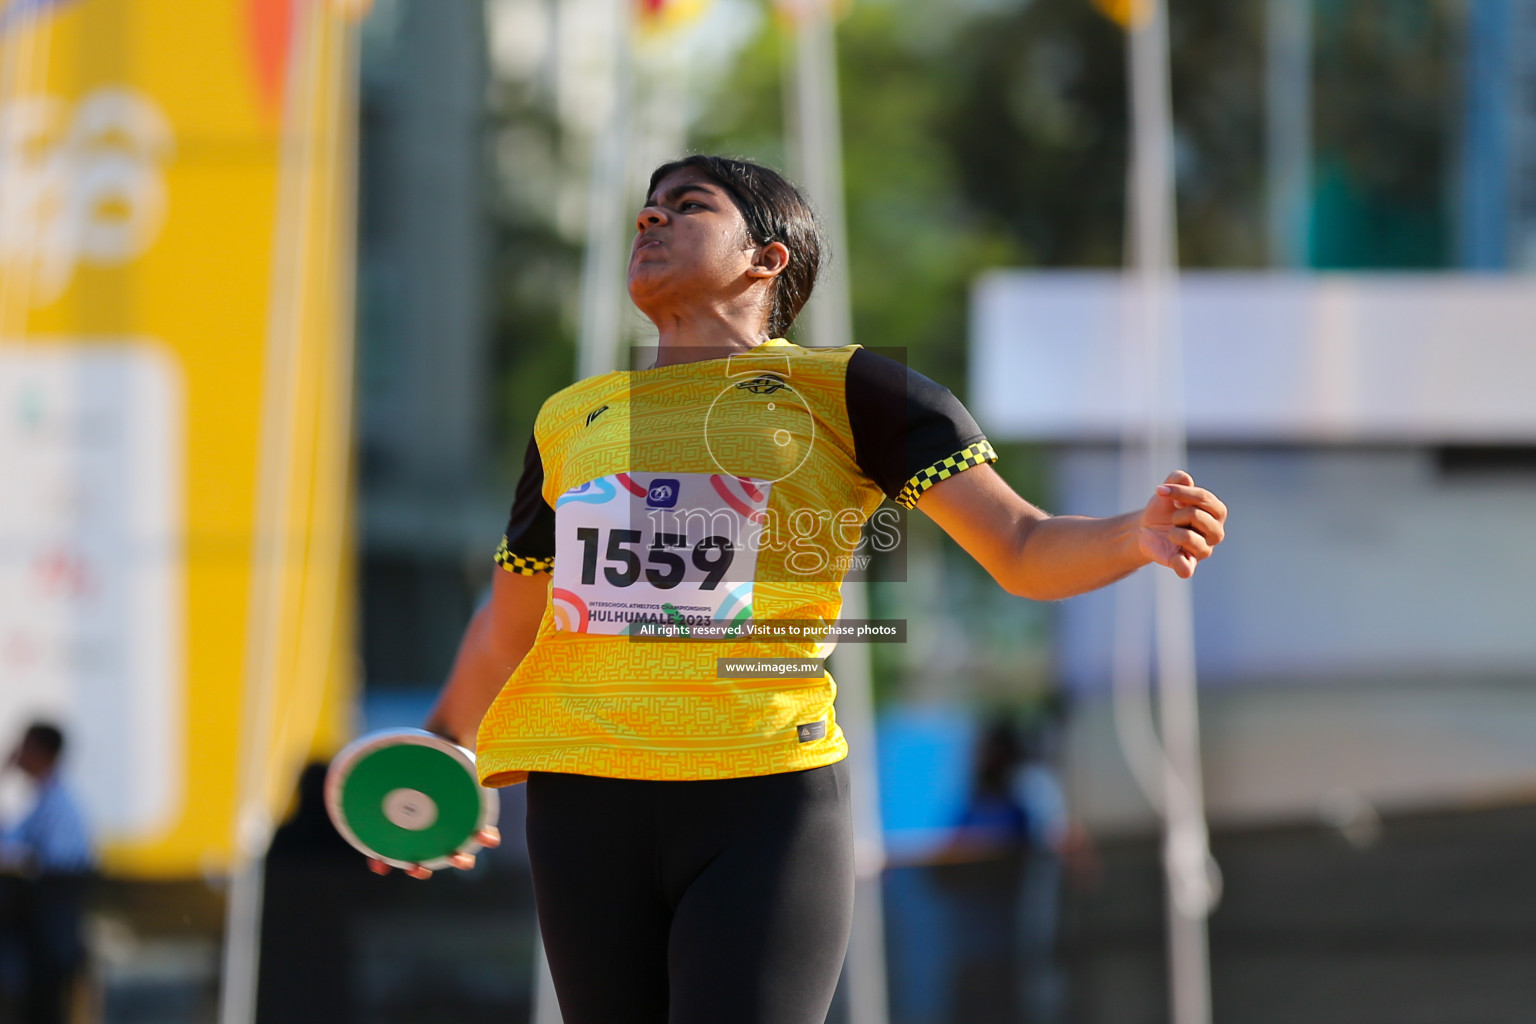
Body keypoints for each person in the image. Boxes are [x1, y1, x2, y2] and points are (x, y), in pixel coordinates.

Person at [373, 154, 1228, 1024]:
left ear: (768, 259)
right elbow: (511, 624)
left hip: (763, 799)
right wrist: (440, 747)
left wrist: (1135, 534)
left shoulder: (850, 390)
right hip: (582, 803)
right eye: (646, 210)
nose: (651, 221)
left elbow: (1020, 545)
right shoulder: (571, 416)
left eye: (686, 206)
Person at [0, 723, 95, 1024]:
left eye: (25, 747)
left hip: (50, 934)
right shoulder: (44, 800)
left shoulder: (61, 803)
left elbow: (52, 861)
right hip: (44, 933)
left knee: (46, 1005)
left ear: (41, 752)